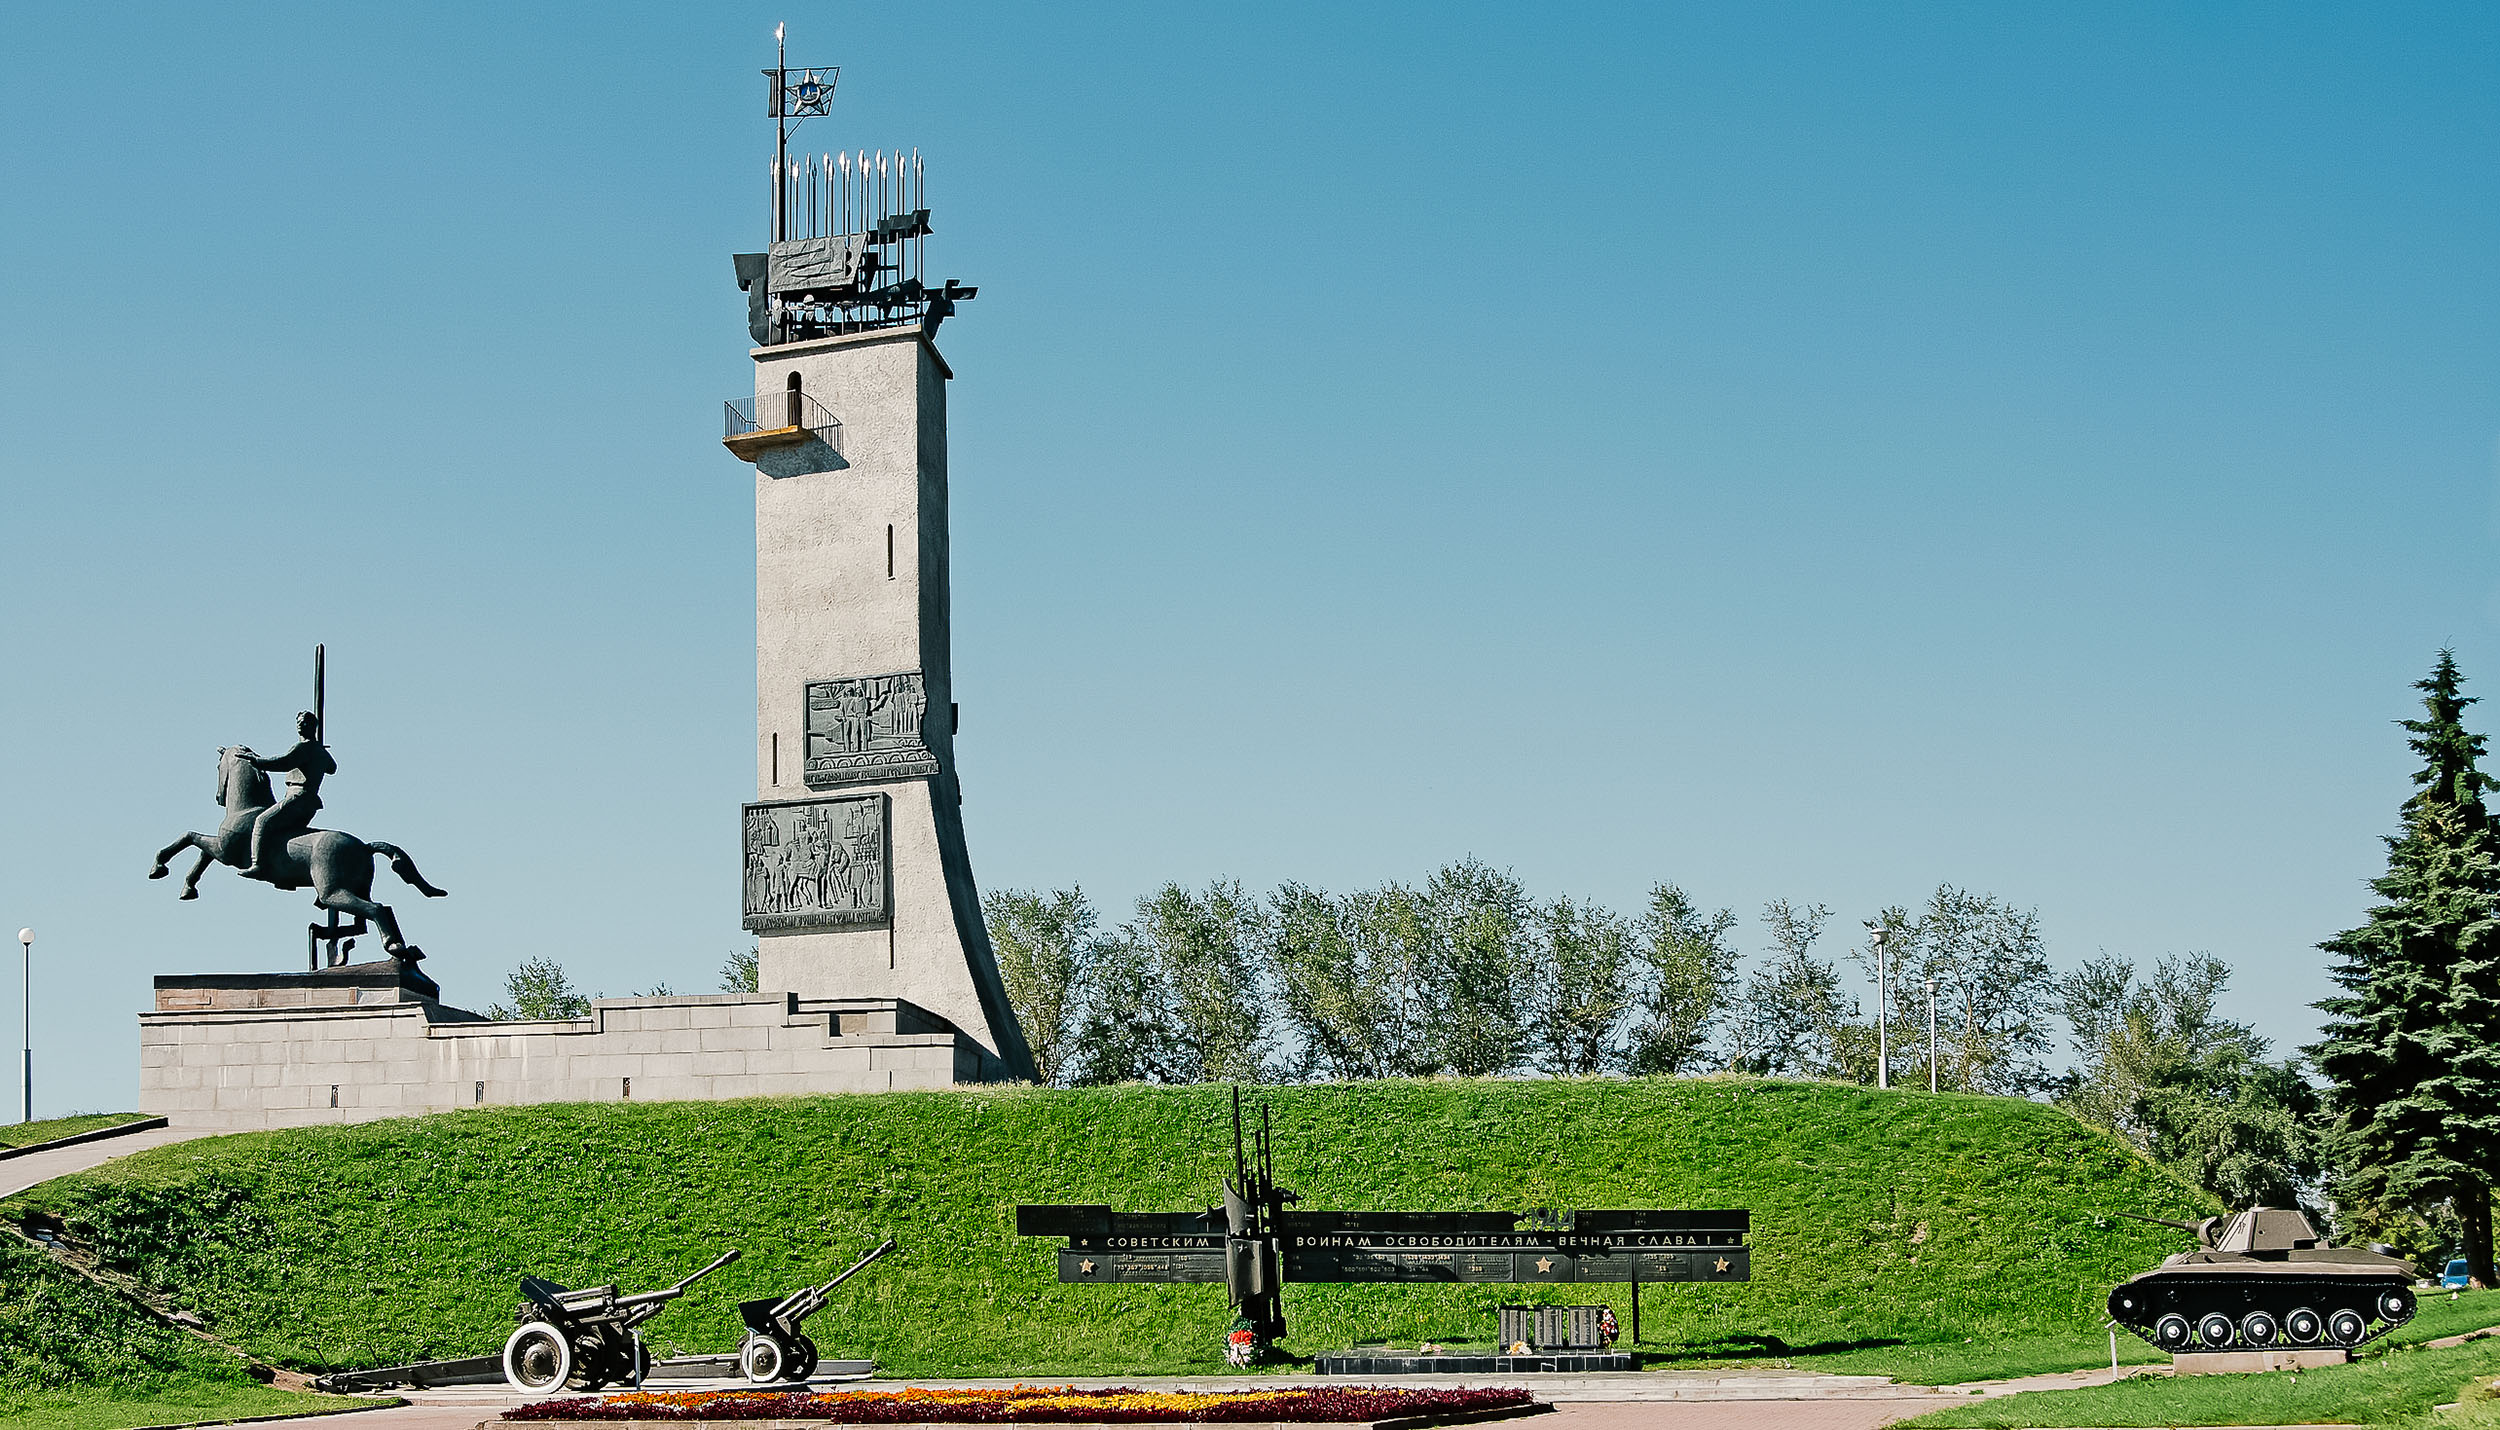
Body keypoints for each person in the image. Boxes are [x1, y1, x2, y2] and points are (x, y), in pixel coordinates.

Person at [242, 711, 335, 877]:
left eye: (304, 722)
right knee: (287, 834)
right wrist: (319, 751)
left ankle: (258, 864)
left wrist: (257, 761)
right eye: (298, 722)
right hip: (310, 803)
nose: (300, 725)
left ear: (313, 726)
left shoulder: (303, 748)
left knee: (262, 821)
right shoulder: (319, 751)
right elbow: (331, 767)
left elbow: (284, 762)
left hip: (297, 798)